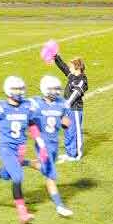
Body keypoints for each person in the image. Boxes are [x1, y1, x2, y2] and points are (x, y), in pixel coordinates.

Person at [0, 76, 48, 224]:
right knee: (17, 176)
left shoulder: (27, 106)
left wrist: (41, 145)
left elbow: (33, 127)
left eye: (21, 89)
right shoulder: (1, 108)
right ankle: (22, 213)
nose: (19, 92)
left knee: (7, 174)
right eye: (16, 89)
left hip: (20, 148)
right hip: (6, 148)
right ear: (8, 90)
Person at [26, 76, 74, 216]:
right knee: (50, 175)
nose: (57, 91)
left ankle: (24, 162)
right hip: (42, 144)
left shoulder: (62, 103)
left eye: (57, 88)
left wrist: (65, 122)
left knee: (46, 169)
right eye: (54, 89)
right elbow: (27, 120)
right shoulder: (35, 103)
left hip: (54, 143)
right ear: (45, 89)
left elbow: (66, 121)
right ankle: (59, 206)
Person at [52, 53, 87, 161]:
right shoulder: (73, 76)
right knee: (68, 130)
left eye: (71, 66)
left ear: (77, 68)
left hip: (75, 109)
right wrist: (56, 57)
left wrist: (67, 103)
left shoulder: (82, 80)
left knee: (75, 132)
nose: (69, 68)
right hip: (68, 109)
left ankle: (77, 154)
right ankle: (70, 153)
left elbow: (76, 92)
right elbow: (64, 68)